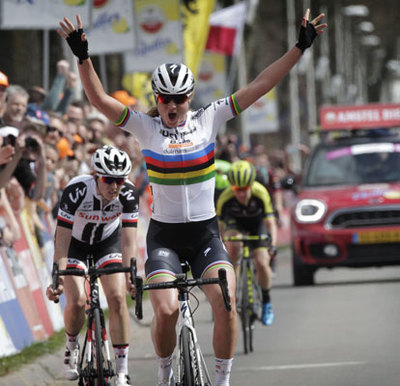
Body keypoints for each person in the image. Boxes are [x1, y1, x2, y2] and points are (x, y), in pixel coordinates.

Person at [57, 9, 326, 385]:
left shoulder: (209, 119)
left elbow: (262, 83)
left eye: (179, 99)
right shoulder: (145, 128)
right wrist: (83, 55)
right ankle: (165, 374)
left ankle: (222, 380)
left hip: (204, 235)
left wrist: (299, 48)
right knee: (165, 311)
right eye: (165, 98)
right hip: (165, 238)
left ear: (190, 97)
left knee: (227, 304)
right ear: (156, 97)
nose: (171, 106)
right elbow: (100, 100)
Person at [46, 146, 139, 386]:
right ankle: (71, 345)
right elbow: (62, 240)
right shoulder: (76, 191)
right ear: (96, 176)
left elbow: (129, 241)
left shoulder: (128, 194)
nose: (115, 186)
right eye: (109, 180)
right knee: (76, 301)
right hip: (75, 244)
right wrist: (57, 277)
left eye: (120, 180)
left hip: (107, 243)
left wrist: (131, 276)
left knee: (118, 298)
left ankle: (121, 370)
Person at [216, 160, 278, 325]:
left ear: (251, 185)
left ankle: (266, 302)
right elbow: (220, 227)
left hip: (257, 225)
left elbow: (270, 223)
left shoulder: (261, 193)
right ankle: (232, 294)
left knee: (262, 262)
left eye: (244, 189)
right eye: (237, 189)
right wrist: (222, 247)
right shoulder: (225, 197)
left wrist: (272, 246)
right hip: (236, 224)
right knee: (234, 247)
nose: (241, 194)